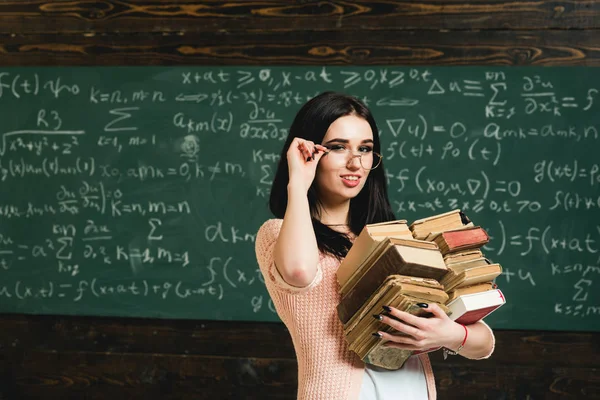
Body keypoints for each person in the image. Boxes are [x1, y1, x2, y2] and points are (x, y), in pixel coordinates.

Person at [255, 92, 495, 400]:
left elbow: (484, 342)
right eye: (338, 147)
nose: (355, 162)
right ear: (309, 151)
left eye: (365, 149)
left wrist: (449, 334)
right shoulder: (277, 233)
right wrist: (298, 183)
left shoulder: (397, 242)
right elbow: (300, 271)